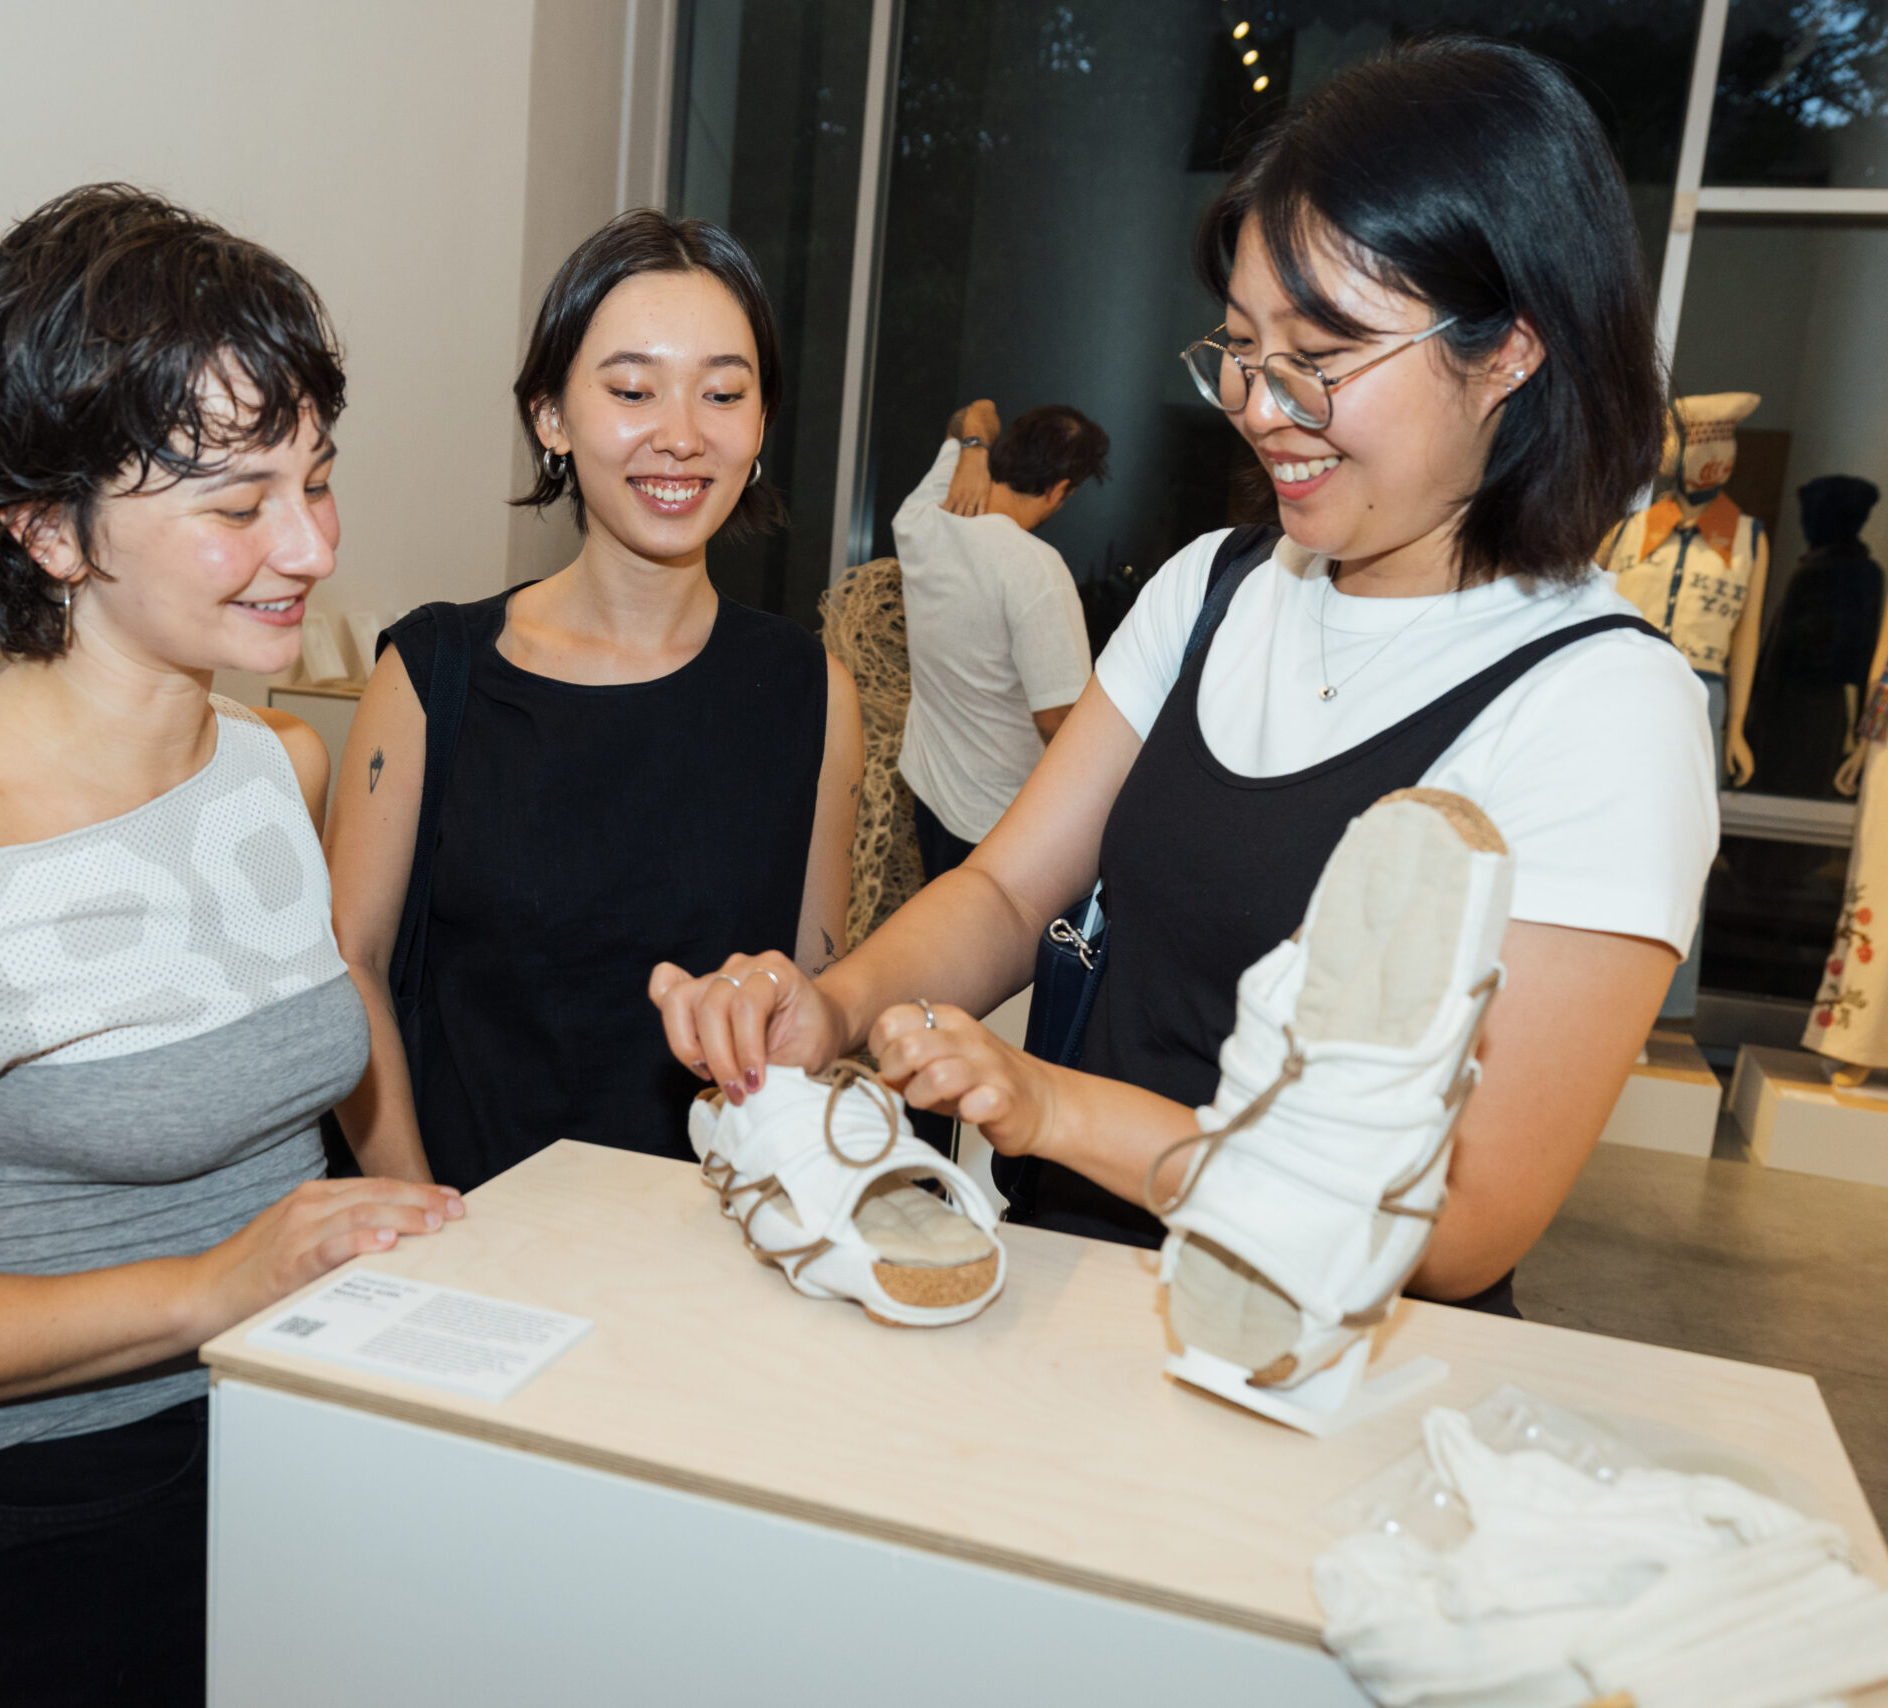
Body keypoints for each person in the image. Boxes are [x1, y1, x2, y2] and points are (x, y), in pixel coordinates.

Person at [651, 38, 1717, 1315]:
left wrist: (1056, 1106)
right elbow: (1003, 889)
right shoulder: (1217, 585)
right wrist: (827, 1010)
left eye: (1320, 356)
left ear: (1511, 351)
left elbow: (1462, 1225)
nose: (1262, 405)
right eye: (1239, 350)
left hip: (1306, 1365)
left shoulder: (1603, 710)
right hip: (1062, 1303)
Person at [0, 185, 462, 1706]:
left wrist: (405, 1233)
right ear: (48, 529)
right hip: (13, 1552)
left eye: (318, 480)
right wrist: (204, 1287)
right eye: (237, 504)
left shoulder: (274, 768)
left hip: (271, 1460)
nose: (310, 544)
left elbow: (323, 1063)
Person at [327, 210, 862, 1191]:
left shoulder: (808, 693)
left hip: (705, 1246)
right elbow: (348, 962)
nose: (680, 435)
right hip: (460, 1232)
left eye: (722, 393)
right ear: (551, 416)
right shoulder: (433, 671)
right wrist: (409, 1204)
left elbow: (810, 990)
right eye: (630, 389)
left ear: (759, 423)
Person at [895, 400, 1110, 881]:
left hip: (931, 794)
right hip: (998, 821)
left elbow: (977, 411)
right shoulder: (1036, 569)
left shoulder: (922, 516)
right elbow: (1058, 721)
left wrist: (972, 449)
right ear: (1058, 491)